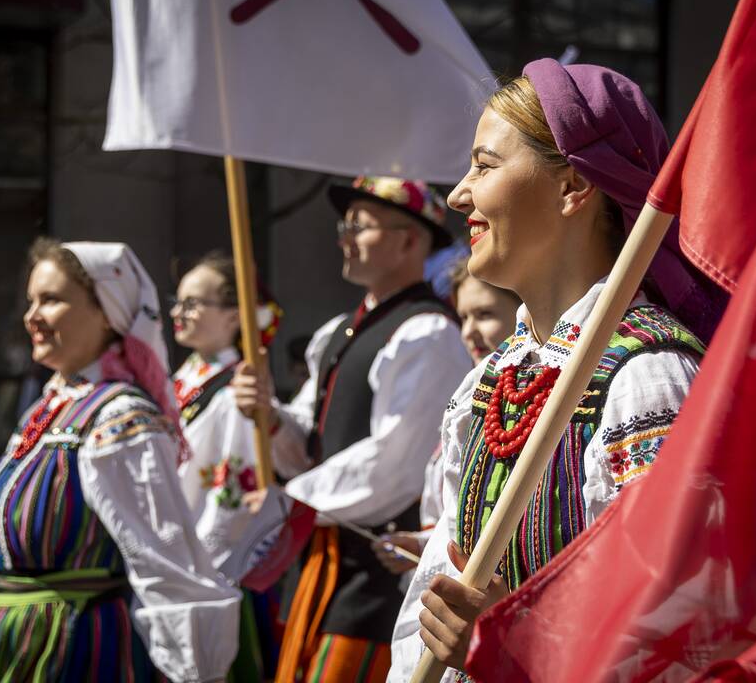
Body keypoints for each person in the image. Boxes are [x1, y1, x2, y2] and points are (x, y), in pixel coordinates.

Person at [387, 60, 725, 681]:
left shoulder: (645, 381)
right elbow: (431, 599)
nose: (459, 194)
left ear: (572, 185)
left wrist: (517, 647)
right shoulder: (489, 381)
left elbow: (686, 633)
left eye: (485, 166)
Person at [0, 239, 240, 683]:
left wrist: (199, 672)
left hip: (72, 652)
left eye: (51, 300)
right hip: (6, 647)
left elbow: (165, 565)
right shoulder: (50, 409)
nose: (32, 317)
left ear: (107, 312)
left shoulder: (121, 420)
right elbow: (13, 551)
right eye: (31, 301)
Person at [233, 177, 472, 683]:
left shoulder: (426, 332)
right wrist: (272, 419)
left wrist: (289, 500)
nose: (343, 238)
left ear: (410, 239)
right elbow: (310, 445)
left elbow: (394, 464)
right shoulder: (340, 331)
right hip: (326, 566)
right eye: (344, 226)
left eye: (357, 227)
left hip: (378, 577)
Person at [172, 251, 284, 682]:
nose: (179, 312)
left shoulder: (240, 390)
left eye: (194, 303)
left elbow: (235, 492)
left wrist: (206, 569)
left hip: (209, 571)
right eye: (178, 301)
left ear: (235, 316)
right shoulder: (180, 379)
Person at [371, 263, 522, 576]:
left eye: (484, 315)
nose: (468, 332)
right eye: (463, 317)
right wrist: (422, 544)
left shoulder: (532, 406)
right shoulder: (469, 403)